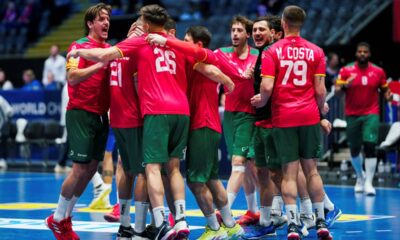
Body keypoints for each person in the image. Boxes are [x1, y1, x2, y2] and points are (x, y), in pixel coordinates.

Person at [254, 5, 332, 239]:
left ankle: (293, 224)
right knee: (312, 171)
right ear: (301, 24)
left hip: (284, 116)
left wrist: (261, 99)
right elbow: (320, 90)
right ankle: (320, 221)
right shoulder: (316, 51)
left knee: (289, 173)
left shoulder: (272, 51)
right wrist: (321, 112)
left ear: (283, 24)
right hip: (308, 115)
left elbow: (267, 87)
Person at [45, 3, 111, 240]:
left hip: (102, 115)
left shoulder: (109, 48)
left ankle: (65, 219)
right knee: (79, 169)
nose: (106, 23)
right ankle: (57, 217)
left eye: (108, 19)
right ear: (90, 23)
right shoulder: (78, 46)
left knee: (92, 168)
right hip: (81, 113)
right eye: (101, 19)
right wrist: (99, 64)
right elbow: (72, 78)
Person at [179, 25, 243, 240]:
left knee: (195, 181)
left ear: (198, 44)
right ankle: (231, 225)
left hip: (203, 125)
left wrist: (227, 81)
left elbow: (212, 71)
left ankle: (214, 229)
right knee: (211, 179)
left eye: (185, 39)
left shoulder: (204, 59)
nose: (182, 42)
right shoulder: (194, 62)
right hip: (206, 125)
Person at [214, 15, 260, 225]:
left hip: (249, 115)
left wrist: (255, 76)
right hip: (230, 115)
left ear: (247, 34)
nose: (235, 34)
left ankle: (223, 210)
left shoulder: (258, 56)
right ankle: (253, 210)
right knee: (249, 166)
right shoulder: (222, 54)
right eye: (233, 30)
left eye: (240, 30)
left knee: (238, 163)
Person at [335, 42, 391, 196]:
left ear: (369, 54)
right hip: (352, 114)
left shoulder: (378, 72)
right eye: (359, 51)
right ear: (356, 54)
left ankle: (369, 183)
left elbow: (386, 90)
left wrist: (389, 96)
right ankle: (360, 177)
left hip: (371, 114)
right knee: (354, 149)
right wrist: (346, 85)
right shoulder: (346, 70)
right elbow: (338, 92)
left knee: (370, 146)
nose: (362, 54)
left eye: (365, 52)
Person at [0, 95, 13, 170]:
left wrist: (2, 127)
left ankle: (3, 160)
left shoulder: (0, 100)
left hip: (5, 121)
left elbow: (7, 113)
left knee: (2, 138)